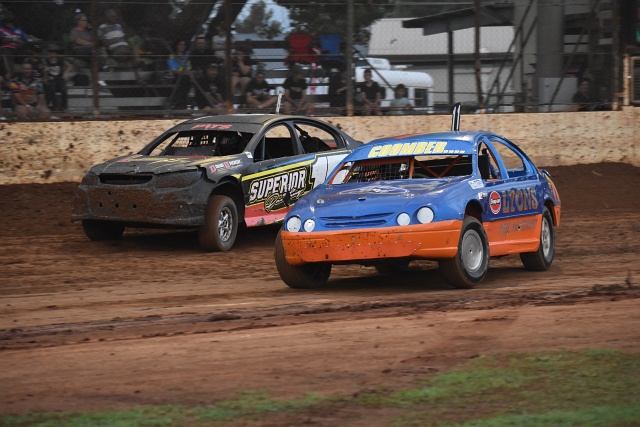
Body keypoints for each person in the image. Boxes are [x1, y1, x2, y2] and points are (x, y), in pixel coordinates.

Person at [0, 8, 27, 81]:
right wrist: (13, 40)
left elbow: (22, 42)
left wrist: (16, 42)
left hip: (16, 51)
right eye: (7, 13)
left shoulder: (18, 29)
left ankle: (11, 77)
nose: (9, 15)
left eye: (11, 13)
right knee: (5, 51)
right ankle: (9, 76)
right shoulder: (1, 27)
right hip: (3, 50)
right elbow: (1, 40)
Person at [43, 43, 72, 111]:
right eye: (50, 53)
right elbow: (45, 71)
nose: (52, 55)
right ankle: (53, 105)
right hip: (51, 78)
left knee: (63, 90)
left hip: (60, 78)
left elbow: (70, 66)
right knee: (52, 89)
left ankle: (64, 106)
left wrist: (65, 74)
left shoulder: (60, 60)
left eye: (53, 53)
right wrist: (46, 78)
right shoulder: (46, 61)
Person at [167, 39, 192, 109]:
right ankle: (180, 105)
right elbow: (174, 69)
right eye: (180, 45)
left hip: (186, 76)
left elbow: (189, 66)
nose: (182, 46)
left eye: (183, 45)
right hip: (176, 76)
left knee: (185, 81)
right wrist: (184, 72)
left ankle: (181, 105)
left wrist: (185, 71)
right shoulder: (172, 56)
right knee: (182, 81)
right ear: (176, 46)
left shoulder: (187, 55)